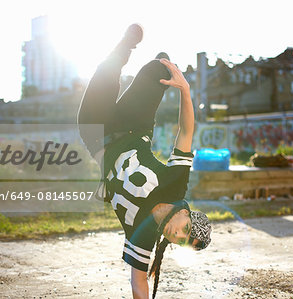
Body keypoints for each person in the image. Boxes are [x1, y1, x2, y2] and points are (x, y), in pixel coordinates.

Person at [77, 24, 212, 298]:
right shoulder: (176, 185)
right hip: (133, 126)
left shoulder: (144, 235)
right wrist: (185, 91)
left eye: (182, 241)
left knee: (104, 75)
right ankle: (156, 59)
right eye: (186, 230)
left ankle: (122, 50)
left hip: (96, 136)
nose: (178, 235)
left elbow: (139, 282)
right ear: (187, 213)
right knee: (157, 71)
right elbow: (185, 133)